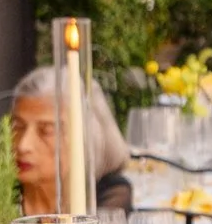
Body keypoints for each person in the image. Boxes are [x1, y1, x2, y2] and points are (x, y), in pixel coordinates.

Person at [11, 69, 135, 214]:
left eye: (46, 131)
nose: (23, 145)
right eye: (18, 127)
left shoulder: (105, 194)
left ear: (85, 137)